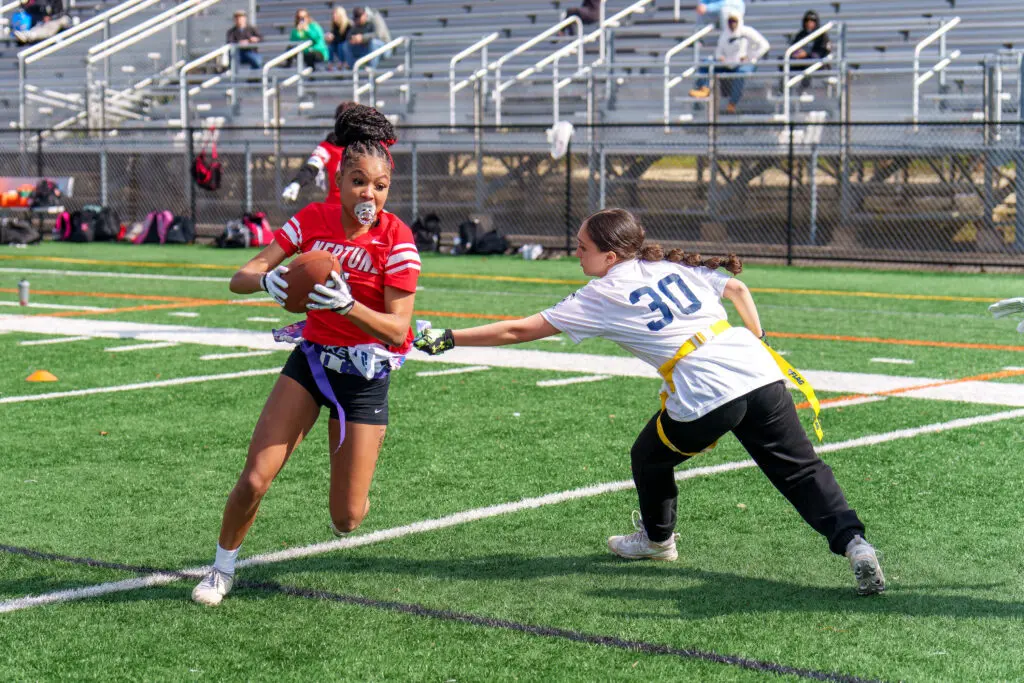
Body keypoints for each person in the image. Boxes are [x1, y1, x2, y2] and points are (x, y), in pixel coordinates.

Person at [414, 208, 886, 597]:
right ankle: (855, 544)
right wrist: (760, 340)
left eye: (583, 248)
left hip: (705, 390)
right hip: (759, 369)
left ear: (611, 255)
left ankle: (658, 541)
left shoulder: (601, 293)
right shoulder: (670, 265)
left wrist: (450, 338)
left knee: (649, 456)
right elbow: (739, 289)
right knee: (801, 470)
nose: (576, 255)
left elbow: (519, 330)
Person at [192, 105, 421, 606]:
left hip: (363, 377)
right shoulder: (313, 219)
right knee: (254, 478)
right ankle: (221, 568)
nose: (369, 194)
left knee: (347, 519)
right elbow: (240, 276)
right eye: (359, 181)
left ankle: (360, 451)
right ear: (338, 179)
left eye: (379, 186)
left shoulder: (397, 238)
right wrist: (268, 280)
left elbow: (398, 328)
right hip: (313, 364)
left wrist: (350, 306)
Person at [688, 12, 770, 114]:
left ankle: (732, 103)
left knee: (740, 74)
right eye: (730, 21)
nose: (732, 24)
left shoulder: (748, 32)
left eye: (734, 21)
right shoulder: (725, 34)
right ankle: (704, 88)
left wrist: (750, 56)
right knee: (706, 64)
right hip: (728, 64)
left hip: (744, 64)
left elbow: (765, 45)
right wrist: (720, 57)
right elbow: (718, 51)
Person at [282, 100, 358, 204]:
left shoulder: (367, 146)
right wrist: (296, 183)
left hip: (364, 205)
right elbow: (311, 168)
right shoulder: (328, 147)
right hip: (336, 206)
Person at [787, 10, 831, 90]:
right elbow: (793, 49)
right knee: (785, 62)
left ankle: (804, 89)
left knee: (808, 64)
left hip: (817, 64)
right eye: (807, 20)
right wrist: (797, 54)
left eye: (812, 20)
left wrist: (807, 54)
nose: (809, 22)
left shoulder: (821, 34)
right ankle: (784, 90)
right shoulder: (801, 34)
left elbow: (823, 52)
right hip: (801, 62)